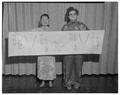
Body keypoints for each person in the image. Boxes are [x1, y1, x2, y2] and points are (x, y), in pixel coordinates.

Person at [61, 7, 89, 90]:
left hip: (79, 52)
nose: (72, 16)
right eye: (70, 14)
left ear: (77, 15)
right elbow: (60, 40)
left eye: (74, 14)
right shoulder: (65, 27)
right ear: (68, 16)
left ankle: (77, 82)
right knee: (68, 68)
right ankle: (67, 83)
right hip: (68, 52)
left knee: (78, 68)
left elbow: (90, 36)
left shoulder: (82, 25)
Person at [34, 14, 56, 87]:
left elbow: (56, 41)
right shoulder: (37, 30)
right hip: (41, 52)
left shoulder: (53, 31)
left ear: (49, 21)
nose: (45, 21)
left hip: (50, 52)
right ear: (40, 21)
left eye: (46, 19)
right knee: (42, 66)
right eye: (43, 19)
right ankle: (43, 81)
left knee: (50, 66)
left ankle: (50, 81)